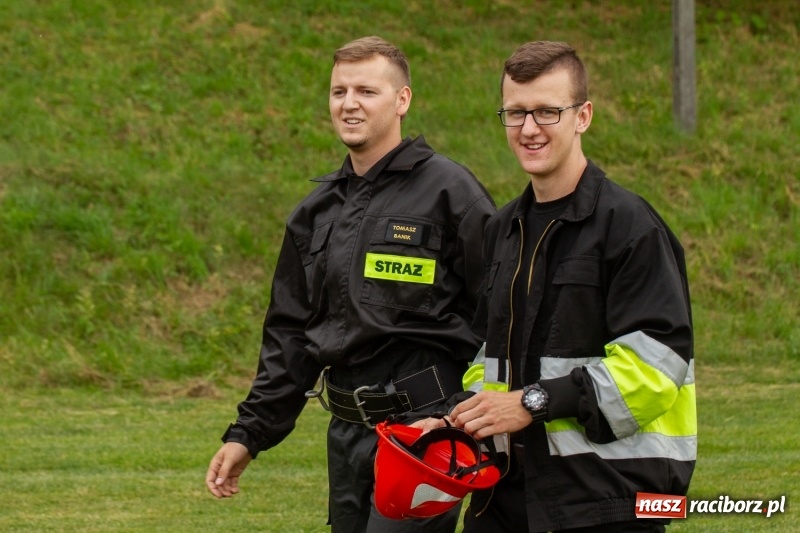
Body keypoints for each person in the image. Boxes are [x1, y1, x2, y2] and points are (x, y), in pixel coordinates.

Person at [204, 36, 496, 533]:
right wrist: (248, 433)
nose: (349, 103)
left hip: (425, 430)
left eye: (366, 90)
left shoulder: (451, 193)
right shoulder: (316, 213)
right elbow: (290, 336)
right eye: (339, 92)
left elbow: (498, 313)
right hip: (347, 435)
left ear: (402, 101)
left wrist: (465, 418)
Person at [426, 41, 696, 532]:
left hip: (607, 501)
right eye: (515, 113)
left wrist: (533, 402)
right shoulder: (503, 229)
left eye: (547, 111)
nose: (529, 129)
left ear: (583, 116)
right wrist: (460, 419)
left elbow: (656, 369)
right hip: (506, 500)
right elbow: (488, 359)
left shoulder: (630, 227)